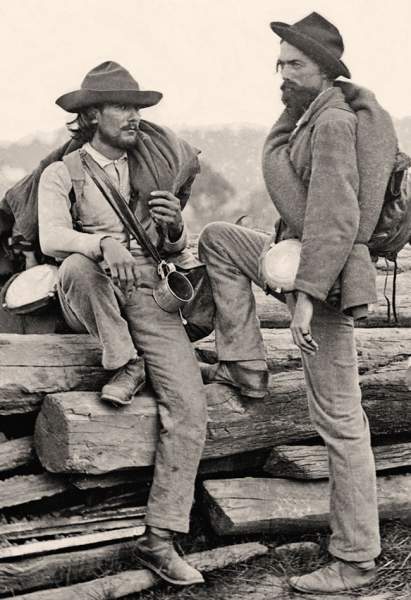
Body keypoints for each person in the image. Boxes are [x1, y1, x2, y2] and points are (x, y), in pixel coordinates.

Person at [199, 12, 400, 594]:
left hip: (329, 277)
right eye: (278, 63)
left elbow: (337, 218)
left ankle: (356, 558)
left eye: (293, 64)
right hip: (302, 257)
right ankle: (246, 363)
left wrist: (307, 300)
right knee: (219, 238)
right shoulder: (306, 117)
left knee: (340, 421)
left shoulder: (334, 123)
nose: (280, 74)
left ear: (324, 70)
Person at [38, 61, 208, 587]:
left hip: (150, 294)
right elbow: (51, 238)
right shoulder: (63, 172)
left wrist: (175, 229)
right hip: (93, 290)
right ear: (91, 116)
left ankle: (159, 538)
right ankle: (124, 361)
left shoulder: (151, 168)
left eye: (137, 108)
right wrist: (99, 242)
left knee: (190, 406)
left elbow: (173, 248)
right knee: (77, 264)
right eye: (122, 107)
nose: (134, 117)